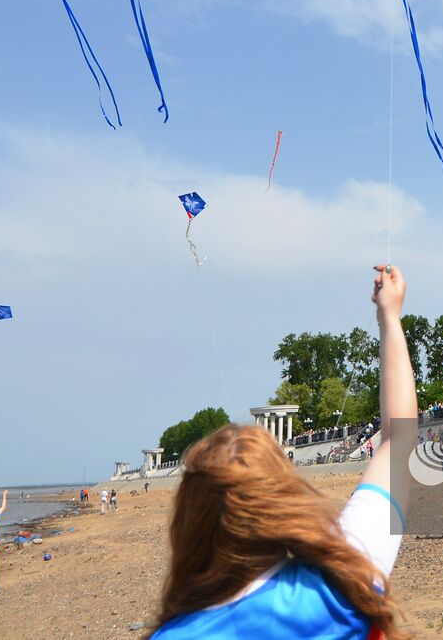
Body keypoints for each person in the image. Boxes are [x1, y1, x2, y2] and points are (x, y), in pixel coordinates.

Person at [150, 265, 416, 637]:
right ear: (282, 500)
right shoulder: (339, 581)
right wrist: (389, 315)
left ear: (189, 522)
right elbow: (400, 439)